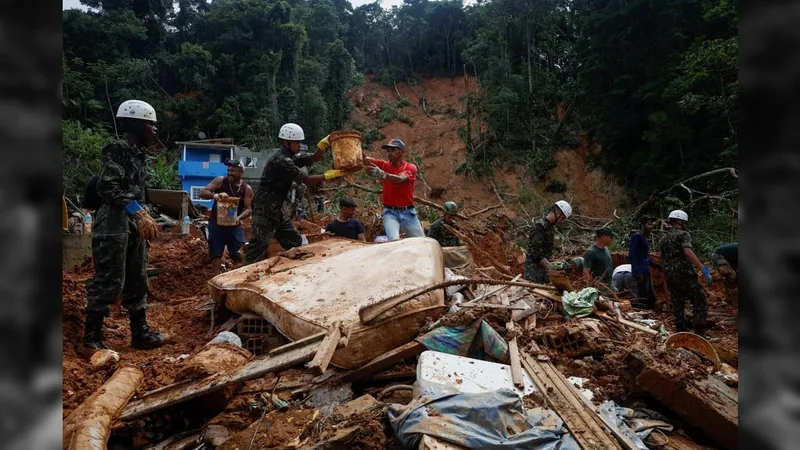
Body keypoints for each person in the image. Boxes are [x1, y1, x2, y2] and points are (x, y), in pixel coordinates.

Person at [82, 99, 166, 354]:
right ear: (136, 124)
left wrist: (144, 214)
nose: (154, 130)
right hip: (114, 223)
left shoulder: (139, 154)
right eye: (151, 125)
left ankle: (140, 333)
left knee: (137, 277)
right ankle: (90, 338)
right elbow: (107, 187)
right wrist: (136, 211)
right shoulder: (117, 149)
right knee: (110, 280)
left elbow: (137, 191)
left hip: (133, 223)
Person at [245, 124, 346, 263]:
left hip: (277, 210)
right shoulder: (281, 161)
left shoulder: (290, 158)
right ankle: (240, 279)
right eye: (297, 142)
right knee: (258, 247)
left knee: (295, 242)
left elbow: (313, 158)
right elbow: (306, 179)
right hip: (265, 208)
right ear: (286, 142)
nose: (299, 145)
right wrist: (331, 174)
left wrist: (323, 146)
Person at [659, 210, 713, 336]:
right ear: (681, 221)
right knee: (700, 300)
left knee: (678, 303)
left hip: (669, 273)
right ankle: (700, 335)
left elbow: (661, 257)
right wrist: (703, 269)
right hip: (684, 272)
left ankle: (681, 333)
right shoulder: (683, 235)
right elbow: (688, 253)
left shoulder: (663, 238)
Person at [364, 138, 425, 241]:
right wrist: (352, 146)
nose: (389, 153)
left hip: (408, 212)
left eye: (393, 150)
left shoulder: (410, 167)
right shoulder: (384, 165)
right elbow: (365, 159)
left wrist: (382, 174)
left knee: (421, 242)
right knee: (394, 241)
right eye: (388, 151)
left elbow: (400, 179)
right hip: (390, 212)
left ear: (401, 151)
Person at [199, 159, 253, 274]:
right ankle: (216, 277)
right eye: (228, 170)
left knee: (239, 252)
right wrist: (216, 195)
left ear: (241, 172)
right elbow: (203, 193)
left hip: (234, 224)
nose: (229, 173)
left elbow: (248, 209)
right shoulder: (220, 181)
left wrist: (238, 218)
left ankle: (239, 277)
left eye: (233, 171)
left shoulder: (246, 189)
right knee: (216, 252)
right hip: (216, 223)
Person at [523, 200, 572, 283]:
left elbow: (546, 251)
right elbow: (535, 253)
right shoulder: (540, 227)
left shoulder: (549, 228)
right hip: (533, 272)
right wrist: (551, 267)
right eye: (562, 218)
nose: (561, 221)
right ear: (557, 213)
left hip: (542, 271)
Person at [628, 215, 662, 309]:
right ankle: (641, 317)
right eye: (649, 224)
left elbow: (644, 257)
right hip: (641, 272)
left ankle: (650, 316)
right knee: (642, 297)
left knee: (651, 298)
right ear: (642, 225)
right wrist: (637, 271)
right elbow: (632, 254)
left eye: (652, 224)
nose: (651, 226)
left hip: (646, 271)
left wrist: (656, 265)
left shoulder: (643, 238)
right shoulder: (636, 236)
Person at [710, 242, 738, 306]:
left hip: (730, 259)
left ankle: (732, 299)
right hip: (718, 255)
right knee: (731, 275)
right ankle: (731, 299)